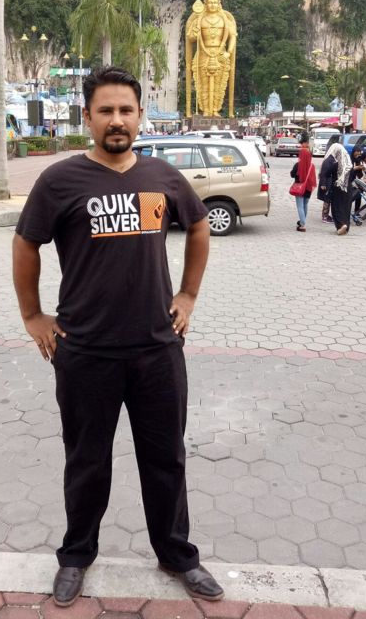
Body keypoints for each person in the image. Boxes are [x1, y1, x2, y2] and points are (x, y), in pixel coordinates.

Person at [12, 66, 222, 608]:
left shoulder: (162, 177)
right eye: (105, 110)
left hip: (157, 349)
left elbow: (199, 225)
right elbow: (26, 242)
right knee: (86, 460)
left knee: (165, 459)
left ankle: (177, 555)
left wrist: (188, 294)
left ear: (140, 115)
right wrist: (33, 316)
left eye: (126, 110)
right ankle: (76, 556)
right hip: (84, 351)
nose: (116, 120)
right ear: (87, 117)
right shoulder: (60, 180)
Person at [318, 142, 354, 235]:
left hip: (337, 187)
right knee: (346, 208)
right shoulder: (348, 163)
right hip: (348, 188)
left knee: (337, 207)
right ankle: (346, 226)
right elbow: (353, 176)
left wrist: (324, 182)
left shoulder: (334, 163)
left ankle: (341, 225)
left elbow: (325, 173)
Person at [292, 132, 317, 232]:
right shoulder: (312, 166)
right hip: (308, 188)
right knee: (305, 205)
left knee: (300, 206)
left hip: (300, 187)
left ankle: (302, 224)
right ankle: (302, 221)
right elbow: (313, 178)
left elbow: (292, 174)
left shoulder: (298, 165)